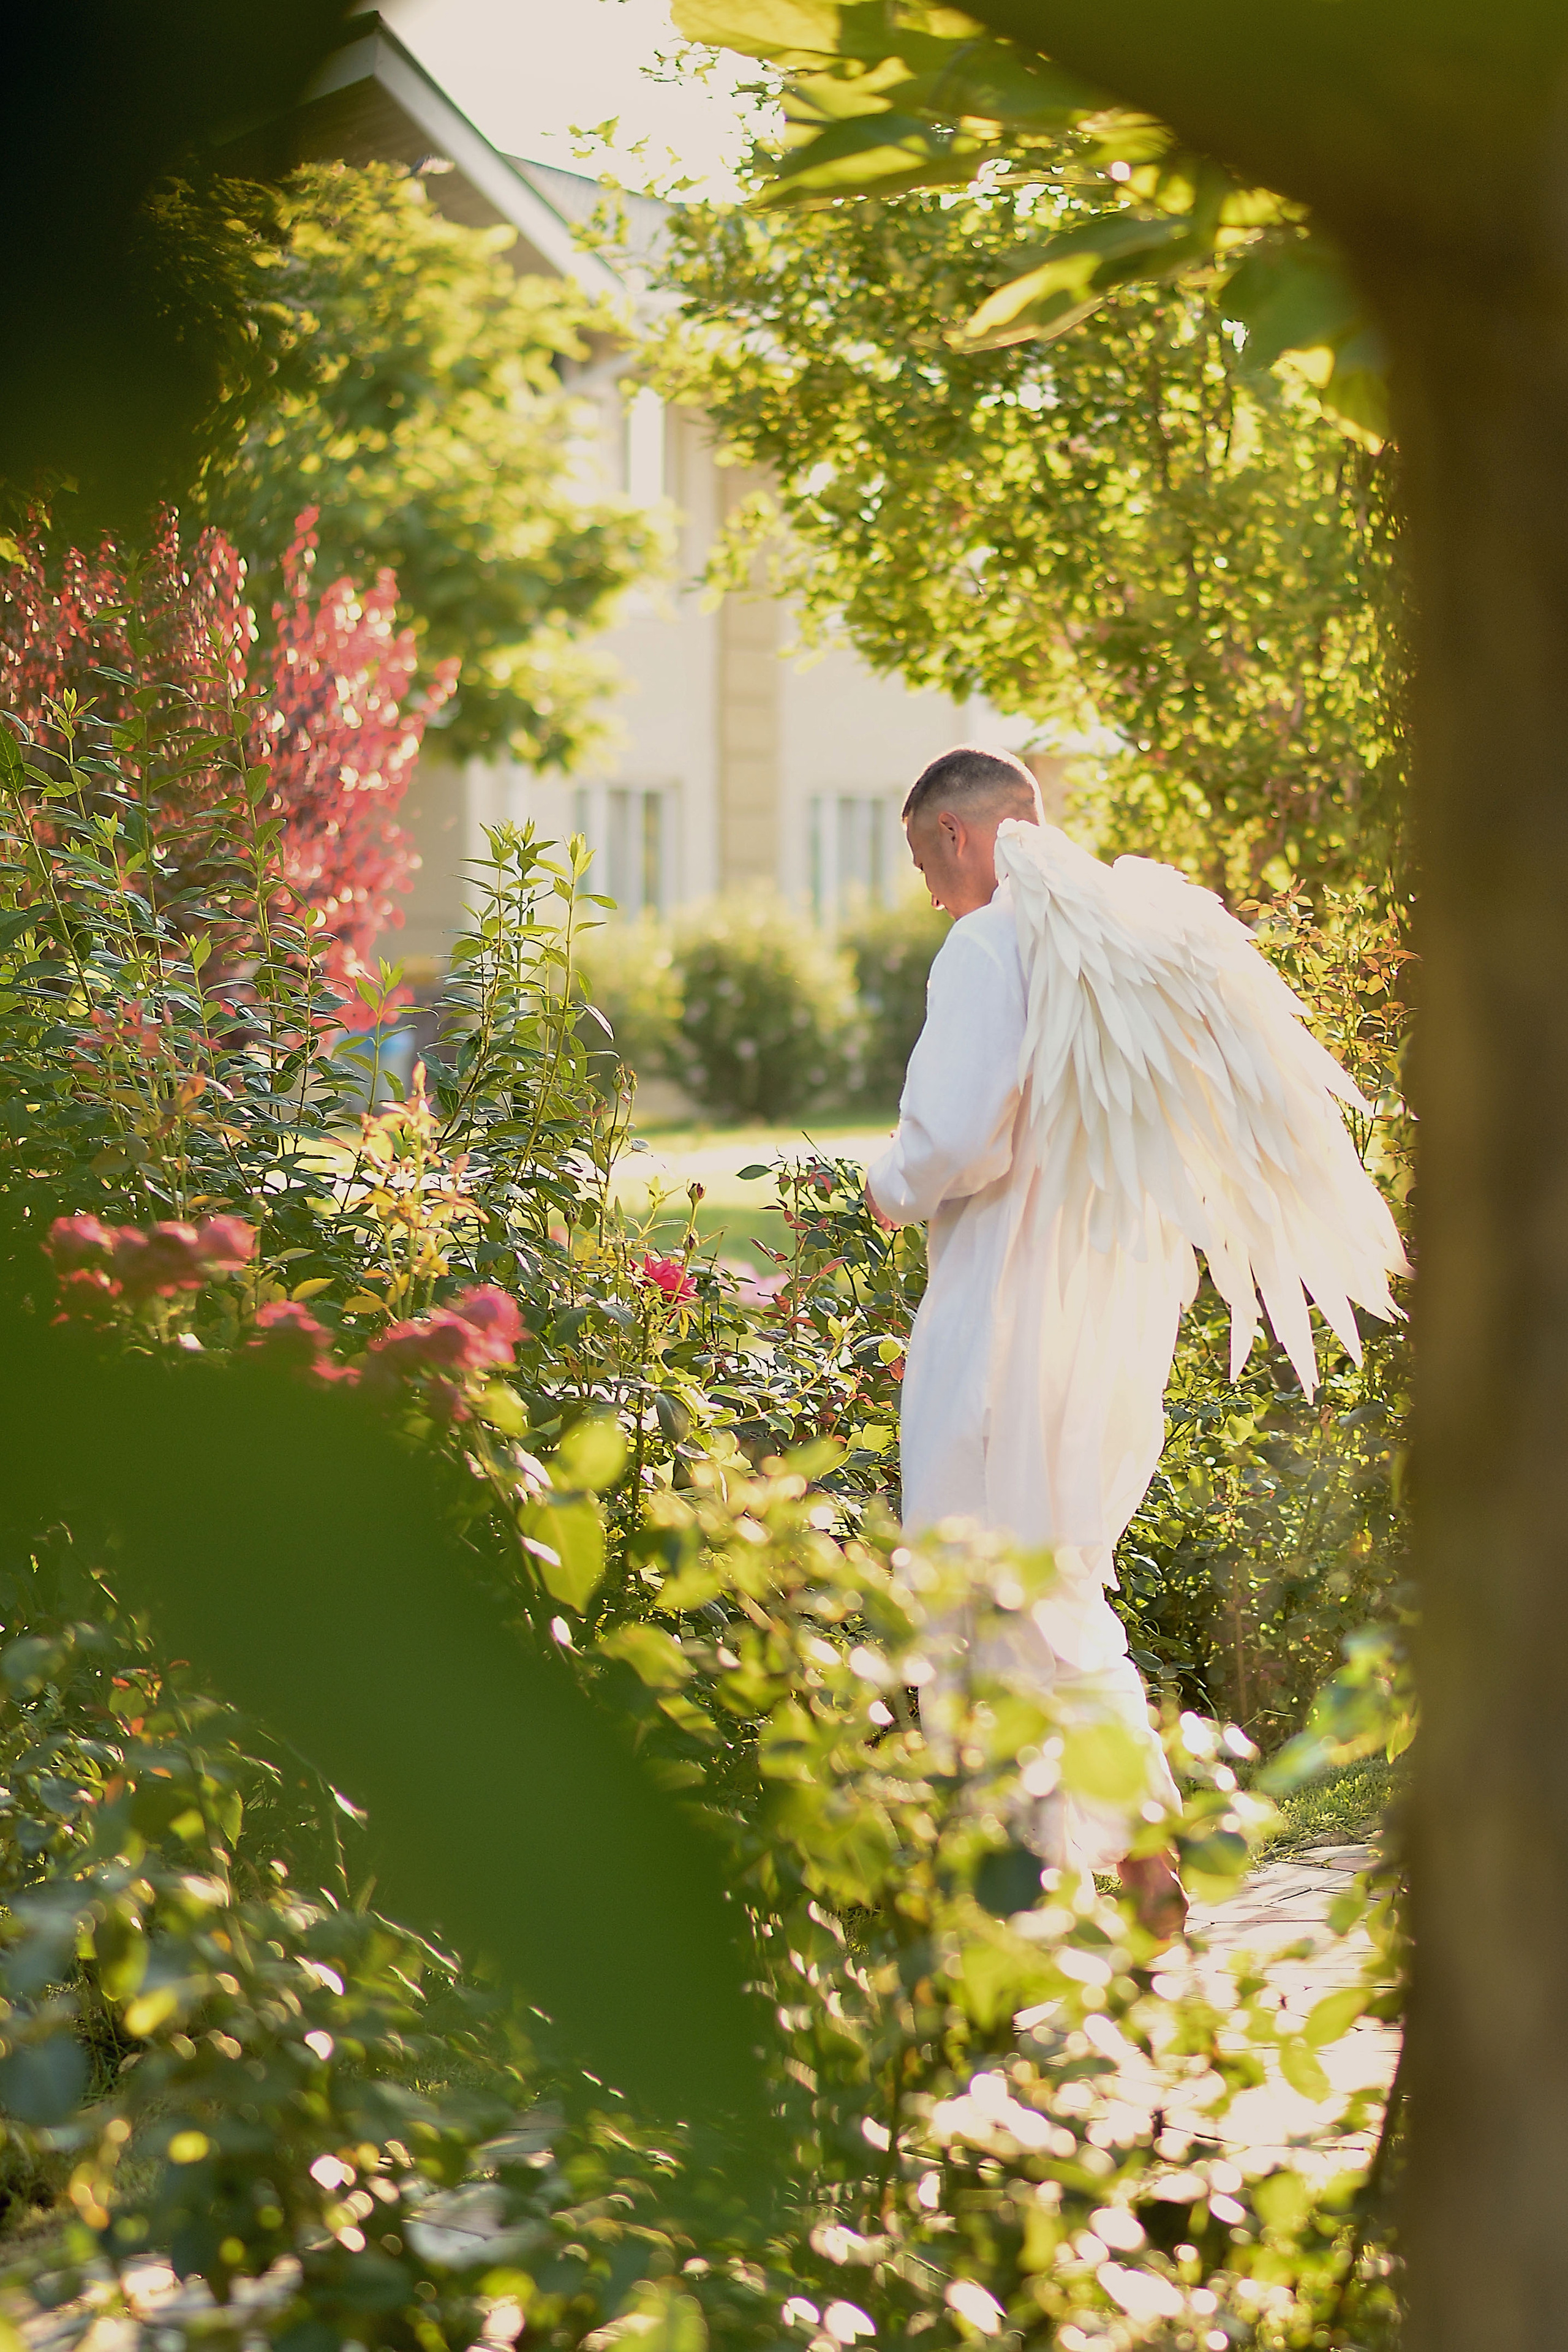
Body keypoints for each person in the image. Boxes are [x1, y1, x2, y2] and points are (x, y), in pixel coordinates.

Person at [865, 747, 1408, 1933]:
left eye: (921, 860)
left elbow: (955, 1139)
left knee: (982, 1597)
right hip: (1088, 1324)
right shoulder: (1100, 955)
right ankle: (1138, 1870)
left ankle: (1019, 1895)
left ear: (957, 835)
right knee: (1049, 1598)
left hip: (997, 1322)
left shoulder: (986, 946)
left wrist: (885, 1182)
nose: (927, 892)